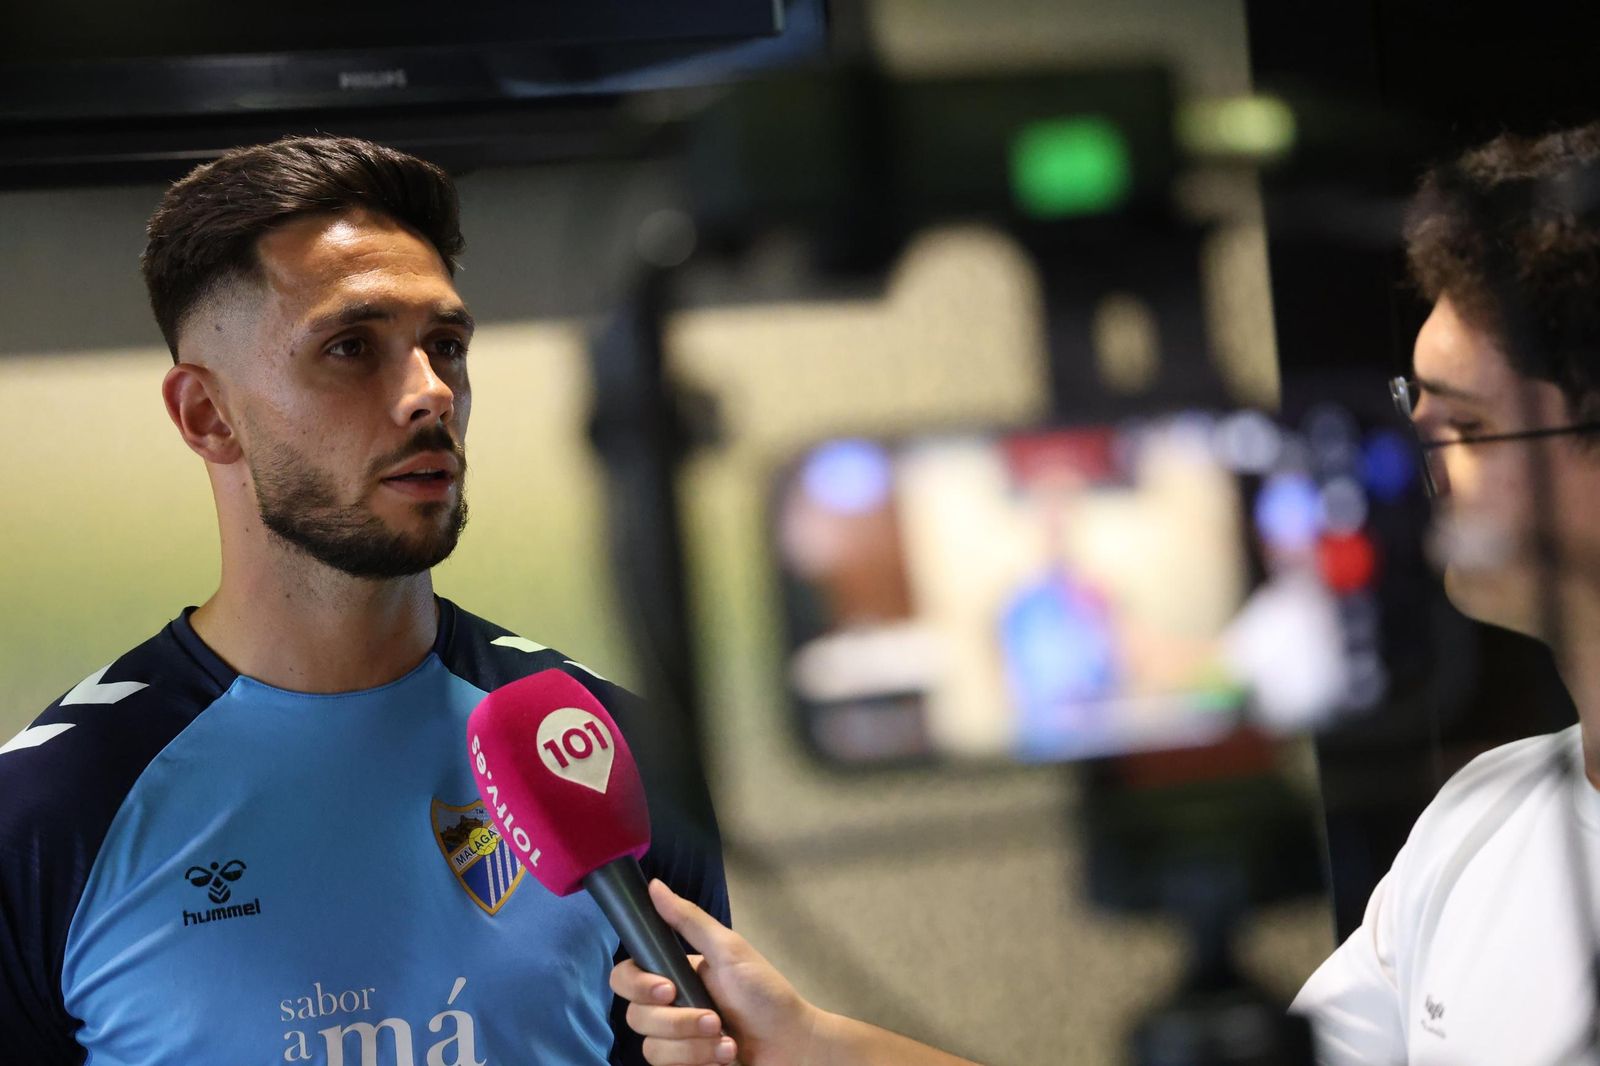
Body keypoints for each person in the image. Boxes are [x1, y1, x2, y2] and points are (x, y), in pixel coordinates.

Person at [608, 122, 1600, 1066]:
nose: (1407, 462)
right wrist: (812, 1044)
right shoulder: (1483, 819)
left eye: (1466, 428)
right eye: (1411, 410)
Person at [0, 135, 729, 1065]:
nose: (431, 393)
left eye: (446, 346)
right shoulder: (44, 816)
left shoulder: (606, 752)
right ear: (207, 416)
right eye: (351, 347)